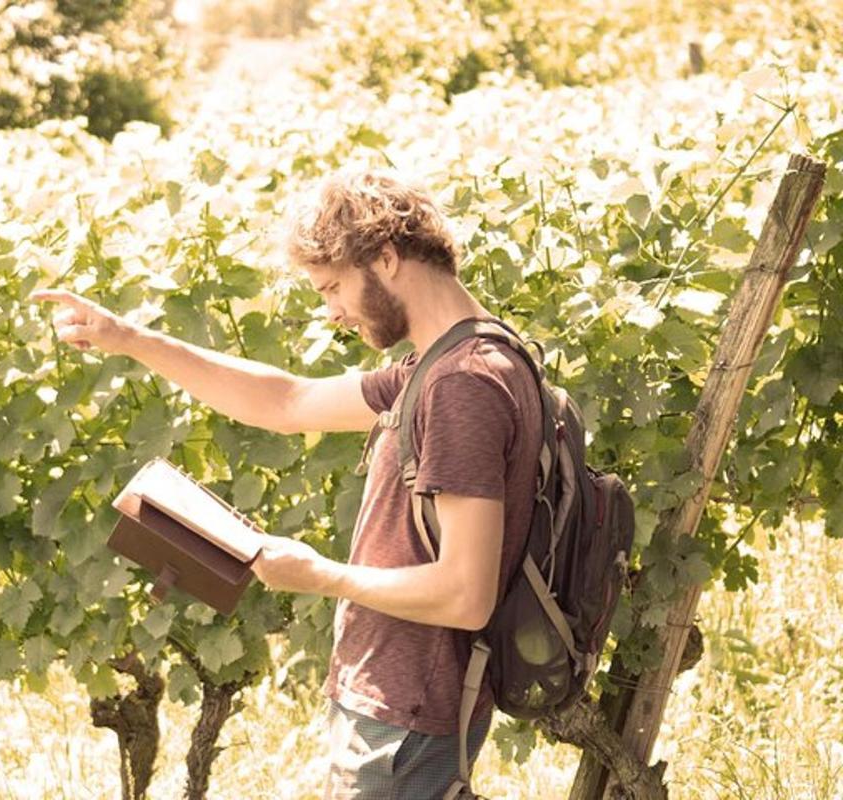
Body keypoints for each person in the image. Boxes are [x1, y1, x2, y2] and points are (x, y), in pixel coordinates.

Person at [33, 169, 543, 799]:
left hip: (407, 722)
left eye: (333, 288)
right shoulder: (449, 363)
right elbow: (286, 402)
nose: (331, 312)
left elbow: (466, 595)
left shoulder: (463, 385)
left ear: (386, 258)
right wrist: (129, 339)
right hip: (397, 711)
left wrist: (319, 575)